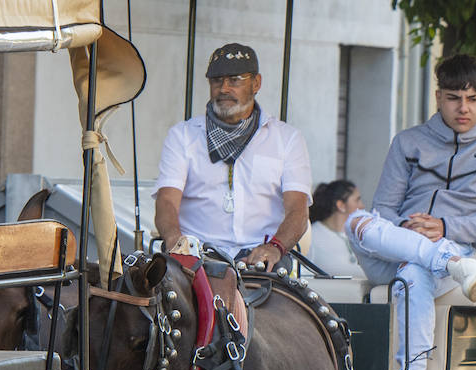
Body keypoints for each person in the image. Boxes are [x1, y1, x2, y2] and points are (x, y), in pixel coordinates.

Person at [349, 53, 476, 370]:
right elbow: (384, 209)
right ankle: (448, 262)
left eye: (474, 99)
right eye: (454, 98)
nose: (464, 108)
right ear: (438, 96)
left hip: (453, 247)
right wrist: (408, 232)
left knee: (414, 273)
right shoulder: (407, 142)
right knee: (356, 220)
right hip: (405, 249)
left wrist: (446, 226)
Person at [154, 43, 310, 268]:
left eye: (234, 80)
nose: (224, 88)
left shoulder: (287, 138)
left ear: (256, 83)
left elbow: (298, 210)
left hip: (262, 257)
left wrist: (275, 248)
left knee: (280, 302)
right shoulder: (183, 135)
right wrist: (175, 241)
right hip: (197, 256)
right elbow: (167, 200)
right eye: (216, 81)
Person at [307, 179, 366, 279]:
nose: (362, 206)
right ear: (341, 205)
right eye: (357, 200)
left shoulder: (363, 235)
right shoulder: (312, 236)